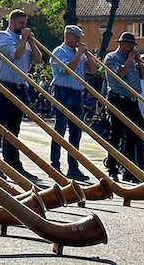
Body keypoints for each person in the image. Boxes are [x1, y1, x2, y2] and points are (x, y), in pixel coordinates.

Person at [0, 10, 42, 177]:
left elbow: (39, 60)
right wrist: (24, 39)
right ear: (12, 23)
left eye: (25, 24)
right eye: (21, 24)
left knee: (14, 127)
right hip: (4, 85)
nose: (24, 27)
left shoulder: (25, 40)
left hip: (19, 86)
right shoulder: (3, 36)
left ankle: (13, 163)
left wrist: (31, 42)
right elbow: (16, 55)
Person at [49, 24, 95, 181]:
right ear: (67, 36)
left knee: (76, 132)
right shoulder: (59, 52)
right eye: (76, 37)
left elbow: (94, 71)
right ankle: (54, 164)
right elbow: (68, 69)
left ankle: (73, 167)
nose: (78, 40)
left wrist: (87, 55)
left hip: (77, 93)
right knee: (60, 129)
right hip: (63, 92)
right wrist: (79, 54)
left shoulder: (80, 53)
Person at [104, 31, 144, 182]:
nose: (131, 48)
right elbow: (120, 74)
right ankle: (112, 167)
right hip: (118, 99)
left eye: (133, 45)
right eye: (129, 44)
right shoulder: (111, 58)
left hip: (132, 100)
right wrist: (129, 59)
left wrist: (139, 62)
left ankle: (128, 170)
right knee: (116, 134)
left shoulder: (135, 60)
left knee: (132, 135)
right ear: (121, 44)